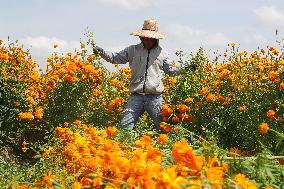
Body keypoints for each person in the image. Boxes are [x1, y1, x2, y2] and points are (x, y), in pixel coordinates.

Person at [93, 19, 181, 131]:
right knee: (125, 127)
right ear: (140, 37)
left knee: (163, 128)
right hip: (136, 97)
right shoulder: (132, 50)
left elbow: (171, 71)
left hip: (155, 98)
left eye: (150, 38)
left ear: (155, 39)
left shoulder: (162, 53)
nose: (147, 40)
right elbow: (116, 57)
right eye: (144, 37)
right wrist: (102, 52)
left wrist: (186, 69)